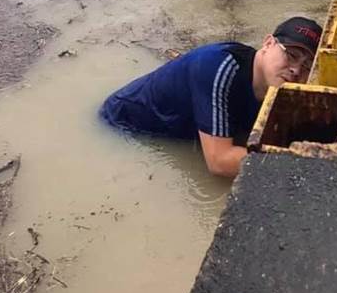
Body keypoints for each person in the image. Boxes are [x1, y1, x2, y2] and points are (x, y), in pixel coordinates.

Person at [100, 16, 322, 178]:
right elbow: (220, 162)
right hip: (123, 123)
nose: (295, 70)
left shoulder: (276, 85)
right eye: (291, 55)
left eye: (306, 66)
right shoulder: (218, 67)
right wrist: (296, 165)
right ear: (268, 43)